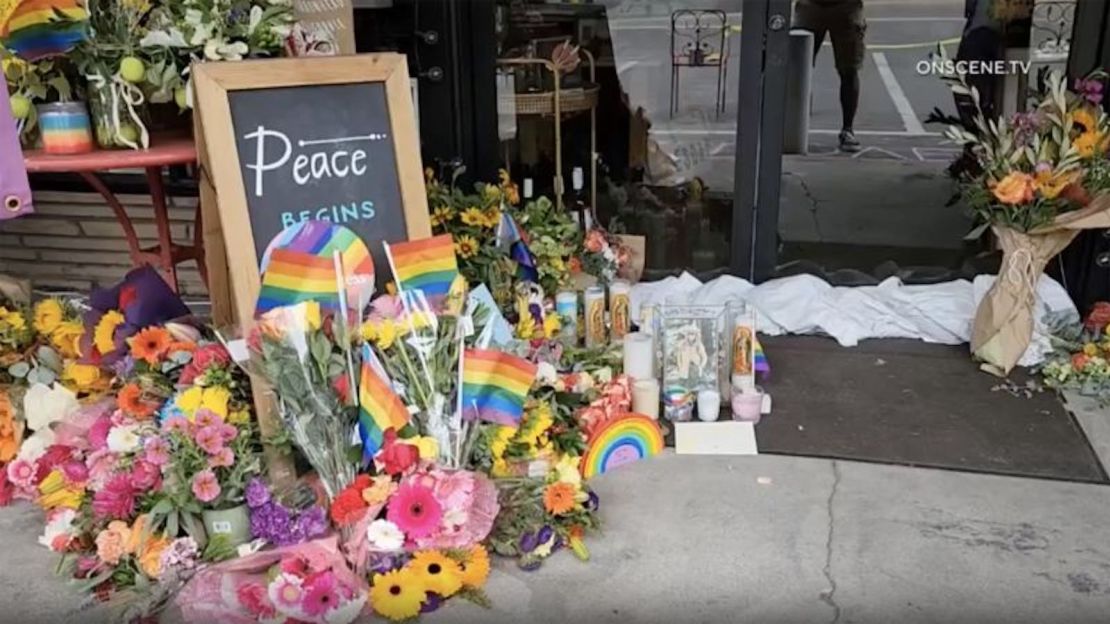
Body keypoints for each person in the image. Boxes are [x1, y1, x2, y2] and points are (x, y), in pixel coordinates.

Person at [794, 0, 867, 153]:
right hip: (811, 5)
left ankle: (848, 129)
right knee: (797, 65)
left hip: (846, 6)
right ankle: (791, 127)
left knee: (849, 69)